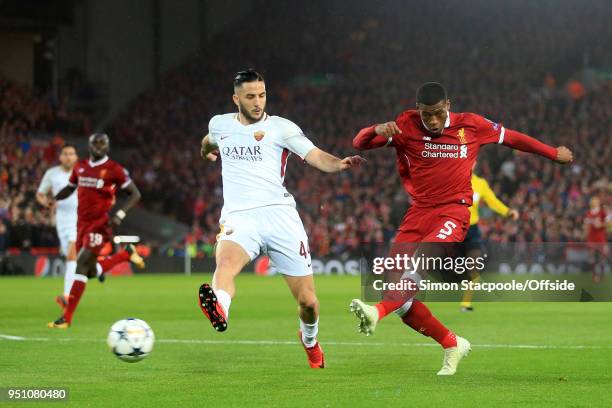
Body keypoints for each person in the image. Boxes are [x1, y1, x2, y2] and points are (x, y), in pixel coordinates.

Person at [349, 82, 573, 375]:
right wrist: (376, 129)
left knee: (417, 267)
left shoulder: (472, 125)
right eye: (426, 114)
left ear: (448, 105)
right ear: (418, 110)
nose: (432, 121)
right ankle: (452, 343)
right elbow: (359, 143)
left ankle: (376, 312)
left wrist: (551, 152)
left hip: (453, 212)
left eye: (437, 113)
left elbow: (512, 138)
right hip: (417, 214)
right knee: (400, 299)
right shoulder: (405, 125)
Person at [198, 69, 365, 368]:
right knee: (225, 264)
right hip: (239, 217)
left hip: (280, 217)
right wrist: (207, 152)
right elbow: (210, 141)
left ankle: (309, 339)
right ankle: (220, 308)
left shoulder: (281, 128)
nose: (258, 102)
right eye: (250, 96)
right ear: (236, 98)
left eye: (261, 95)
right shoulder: (220, 124)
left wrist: (339, 164)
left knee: (308, 303)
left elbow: (314, 155)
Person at [48, 133, 145, 329]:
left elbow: (135, 194)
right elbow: (70, 187)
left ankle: (67, 317)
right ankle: (126, 254)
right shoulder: (81, 166)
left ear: (107, 147)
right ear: (89, 146)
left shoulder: (114, 169)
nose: (99, 147)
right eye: (95, 144)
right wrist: (55, 198)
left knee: (80, 265)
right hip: (81, 224)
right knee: (90, 270)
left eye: (102, 144)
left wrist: (119, 215)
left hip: (100, 224)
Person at [459, 168, 519, 312]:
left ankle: (466, 303)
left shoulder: (480, 183)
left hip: (472, 229)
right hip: (453, 226)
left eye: (473, 160)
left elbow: (492, 201)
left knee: (474, 266)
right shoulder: (453, 179)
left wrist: (507, 212)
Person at [36, 144, 80, 308]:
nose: (68, 157)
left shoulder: (82, 173)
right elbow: (40, 194)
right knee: (73, 259)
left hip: (80, 218)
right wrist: (46, 203)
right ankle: (100, 267)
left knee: (71, 255)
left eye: (72, 153)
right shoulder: (52, 174)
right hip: (62, 220)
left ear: (76, 157)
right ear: (60, 157)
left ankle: (67, 296)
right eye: (65, 154)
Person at [584, 196, 610, 282]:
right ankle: (594, 275)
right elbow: (587, 225)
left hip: (600, 237)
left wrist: (601, 225)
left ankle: (602, 275)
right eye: (593, 201)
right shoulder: (588, 213)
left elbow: (608, 223)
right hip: (591, 238)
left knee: (602, 257)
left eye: (595, 201)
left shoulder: (602, 212)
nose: (594, 203)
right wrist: (585, 233)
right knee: (592, 256)